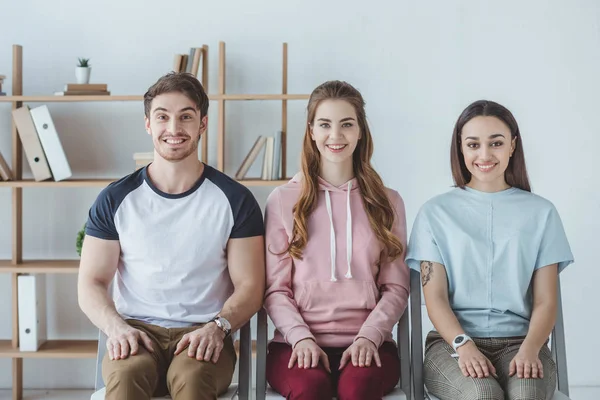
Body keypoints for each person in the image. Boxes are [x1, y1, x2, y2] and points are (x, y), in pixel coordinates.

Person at [77, 72, 265, 400]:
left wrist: (219, 327)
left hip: (205, 333)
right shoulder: (115, 200)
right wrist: (116, 327)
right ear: (148, 124)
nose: (174, 129)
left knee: (191, 381)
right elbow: (90, 282)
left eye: (186, 117)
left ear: (202, 124)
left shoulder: (235, 200)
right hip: (136, 332)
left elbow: (250, 285)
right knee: (125, 378)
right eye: (163, 117)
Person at [406, 100, 574, 400]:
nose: (484, 155)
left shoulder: (542, 213)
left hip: (522, 342)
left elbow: (547, 301)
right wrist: (464, 345)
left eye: (496, 143)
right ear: (461, 148)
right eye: (473, 144)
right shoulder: (435, 213)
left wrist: (530, 349)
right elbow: (436, 300)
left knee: (526, 396)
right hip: (451, 345)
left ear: (512, 146)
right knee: (483, 395)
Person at [263, 80, 410, 400]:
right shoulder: (282, 200)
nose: (336, 135)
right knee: (310, 390)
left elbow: (396, 287)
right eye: (325, 124)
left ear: (360, 131)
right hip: (293, 343)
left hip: (371, 343)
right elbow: (276, 289)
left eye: (347, 124)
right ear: (311, 130)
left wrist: (369, 337)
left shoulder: (389, 202)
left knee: (356, 390)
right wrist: (300, 338)